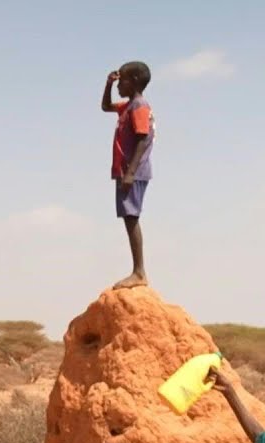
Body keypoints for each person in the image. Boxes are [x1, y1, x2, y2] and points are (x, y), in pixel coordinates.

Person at [101, 61, 155, 290]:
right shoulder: (128, 106)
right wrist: (108, 84)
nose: (118, 85)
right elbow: (105, 107)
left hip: (133, 172)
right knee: (128, 217)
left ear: (133, 82)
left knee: (132, 217)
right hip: (125, 172)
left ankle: (139, 272)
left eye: (121, 80)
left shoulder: (139, 106)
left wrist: (131, 173)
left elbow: (143, 139)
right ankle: (138, 271)